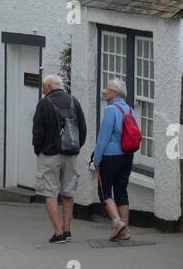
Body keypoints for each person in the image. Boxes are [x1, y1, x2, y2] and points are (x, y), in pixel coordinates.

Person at [31, 74, 86, 243]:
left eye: (43, 87)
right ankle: (67, 230)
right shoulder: (73, 101)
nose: (42, 91)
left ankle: (57, 232)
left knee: (50, 193)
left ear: (48, 87)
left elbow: (38, 132)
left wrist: (38, 150)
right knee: (68, 193)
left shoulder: (44, 103)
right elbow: (82, 129)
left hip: (49, 155)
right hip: (71, 154)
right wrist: (76, 148)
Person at [90, 79, 133, 241]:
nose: (104, 92)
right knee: (121, 191)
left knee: (104, 191)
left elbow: (103, 138)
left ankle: (117, 223)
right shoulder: (129, 109)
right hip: (127, 156)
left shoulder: (110, 110)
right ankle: (125, 230)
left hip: (111, 156)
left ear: (115, 92)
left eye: (107, 89)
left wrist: (97, 159)